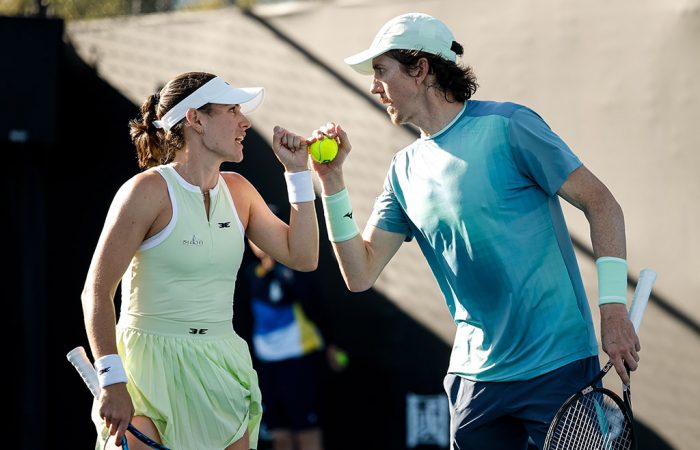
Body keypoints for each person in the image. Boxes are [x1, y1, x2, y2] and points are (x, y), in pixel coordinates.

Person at [308, 13, 641, 450]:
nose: (373, 86)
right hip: (475, 380)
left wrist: (614, 311)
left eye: (380, 71)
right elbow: (359, 272)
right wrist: (331, 183)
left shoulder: (511, 126)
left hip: (557, 364)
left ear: (420, 68)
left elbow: (603, 205)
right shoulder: (403, 170)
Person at [80, 71, 319, 450]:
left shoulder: (240, 191)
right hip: (145, 371)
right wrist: (111, 378)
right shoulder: (146, 191)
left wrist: (297, 174)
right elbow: (95, 291)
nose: (245, 122)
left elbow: (303, 256)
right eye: (232, 110)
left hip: (221, 366)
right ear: (195, 119)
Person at [241, 220, 348, 450]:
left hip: (299, 360)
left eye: (266, 232)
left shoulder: (297, 270)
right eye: (254, 235)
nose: (260, 240)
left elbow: (317, 309)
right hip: (265, 365)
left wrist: (330, 345)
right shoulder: (250, 274)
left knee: (306, 429)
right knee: (278, 432)